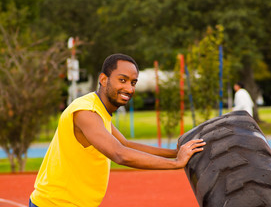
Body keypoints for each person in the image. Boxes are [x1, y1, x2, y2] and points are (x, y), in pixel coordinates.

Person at [29, 53, 205, 207]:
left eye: (133, 82)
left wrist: (175, 152)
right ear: (104, 79)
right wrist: (175, 163)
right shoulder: (86, 112)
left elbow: (125, 144)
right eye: (122, 80)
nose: (129, 88)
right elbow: (119, 153)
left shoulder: (99, 110)